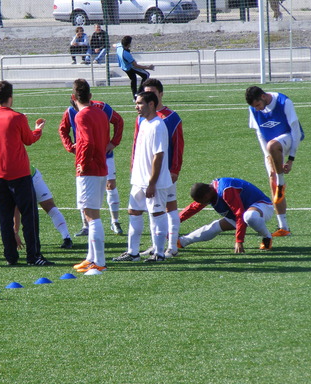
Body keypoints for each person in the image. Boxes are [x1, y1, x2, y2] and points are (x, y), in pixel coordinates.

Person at [0, 80, 54, 266]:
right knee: (29, 217)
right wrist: (38, 130)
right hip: (19, 174)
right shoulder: (17, 118)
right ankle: (33, 256)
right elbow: (29, 139)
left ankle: (11, 256)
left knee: (5, 218)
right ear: (10, 96)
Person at [113, 91, 172, 263]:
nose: (136, 107)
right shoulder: (143, 122)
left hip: (155, 182)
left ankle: (159, 254)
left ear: (151, 104)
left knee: (157, 214)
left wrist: (152, 183)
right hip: (139, 181)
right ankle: (133, 253)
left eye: (139, 103)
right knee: (133, 212)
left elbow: (158, 156)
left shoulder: (158, 125)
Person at [0, 164, 74, 250]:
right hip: (13, 178)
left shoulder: (1, 177)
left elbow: (16, 207)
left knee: (48, 206)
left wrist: (15, 232)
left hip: (31, 177)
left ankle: (67, 238)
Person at [59, 88, 124, 237]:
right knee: (85, 193)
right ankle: (85, 225)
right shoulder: (70, 111)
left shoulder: (101, 107)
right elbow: (63, 130)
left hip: (103, 155)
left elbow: (118, 121)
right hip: (85, 157)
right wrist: (71, 147)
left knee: (110, 184)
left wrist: (114, 142)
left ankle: (114, 221)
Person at [245, 86, 304, 238]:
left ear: (263, 97)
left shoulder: (284, 102)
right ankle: (283, 227)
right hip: (270, 148)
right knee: (273, 181)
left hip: (288, 139)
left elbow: (296, 131)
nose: (257, 109)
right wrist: (268, 158)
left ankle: (281, 181)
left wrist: (291, 159)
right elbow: (260, 134)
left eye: (258, 105)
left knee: (273, 145)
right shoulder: (253, 109)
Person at [138, 78, 184, 258]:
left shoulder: (171, 117)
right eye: (146, 92)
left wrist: (175, 169)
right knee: (152, 209)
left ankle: (172, 246)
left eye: (153, 92)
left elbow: (178, 145)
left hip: (165, 172)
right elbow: (137, 145)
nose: (149, 95)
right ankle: (156, 245)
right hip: (146, 173)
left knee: (169, 207)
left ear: (161, 94)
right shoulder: (142, 117)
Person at [69, 79, 110, 273]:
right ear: (90, 96)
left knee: (92, 216)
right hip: (101, 167)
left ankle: (99, 262)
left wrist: (82, 164)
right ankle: (91, 257)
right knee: (92, 213)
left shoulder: (81, 116)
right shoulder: (100, 113)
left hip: (89, 170)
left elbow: (87, 142)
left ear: (73, 97)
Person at [178, 178, 274, 254]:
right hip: (243, 213)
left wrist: (239, 241)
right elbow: (193, 207)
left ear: (206, 195)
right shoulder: (209, 192)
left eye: (203, 200)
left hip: (262, 207)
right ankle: (181, 242)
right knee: (214, 227)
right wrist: (175, 221)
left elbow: (239, 214)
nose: (203, 203)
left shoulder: (226, 190)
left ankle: (267, 237)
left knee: (250, 216)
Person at [116, 35, 154, 100]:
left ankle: (135, 97)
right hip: (129, 67)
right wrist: (148, 67)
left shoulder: (119, 46)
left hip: (124, 67)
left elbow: (114, 45)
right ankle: (139, 93)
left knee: (133, 79)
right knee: (146, 75)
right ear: (128, 44)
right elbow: (135, 65)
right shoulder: (126, 54)